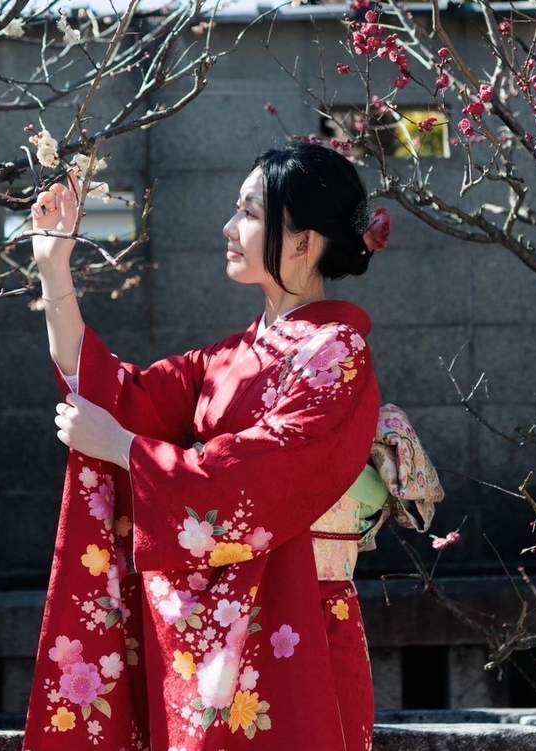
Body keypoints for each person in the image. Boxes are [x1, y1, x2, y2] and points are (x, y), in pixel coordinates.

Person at [21, 140, 391, 751]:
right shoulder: (227, 360)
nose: (228, 226)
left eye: (249, 212)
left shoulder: (336, 354)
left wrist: (126, 451)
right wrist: (54, 271)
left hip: (296, 619)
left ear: (304, 242)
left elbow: (258, 473)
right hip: (219, 644)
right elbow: (115, 395)